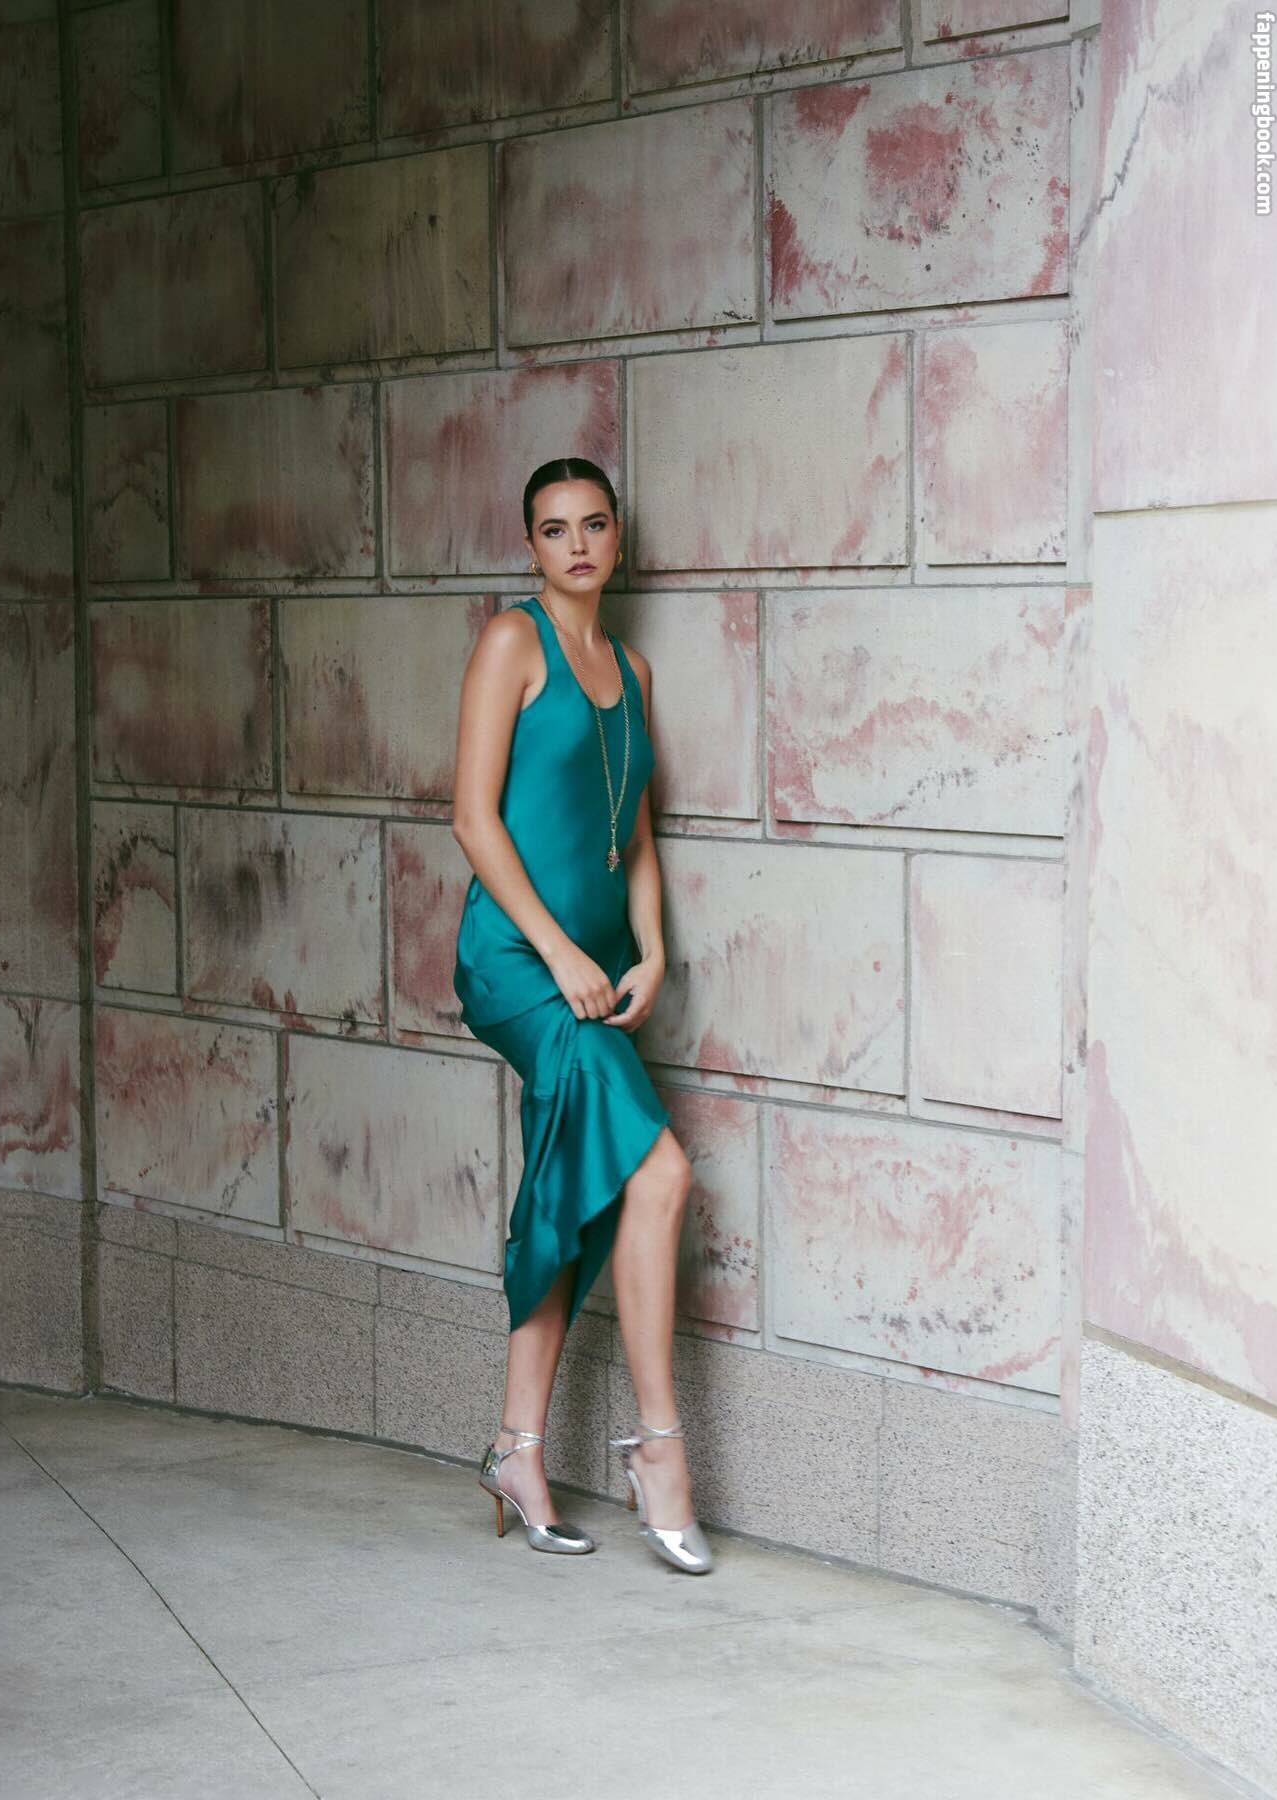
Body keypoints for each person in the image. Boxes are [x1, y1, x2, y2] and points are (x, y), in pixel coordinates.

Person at [450, 456, 713, 1575]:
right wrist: (560, 954)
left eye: (593, 525)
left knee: (570, 1190)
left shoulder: (633, 669)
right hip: (520, 964)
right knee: (659, 1176)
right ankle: (660, 1450)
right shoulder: (513, 644)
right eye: (554, 530)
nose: (577, 546)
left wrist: (652, 949)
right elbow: (472, 819)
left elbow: (634, 833)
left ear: (617, 537)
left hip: (600, 974)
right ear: (531, 548)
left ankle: (517, 1450)